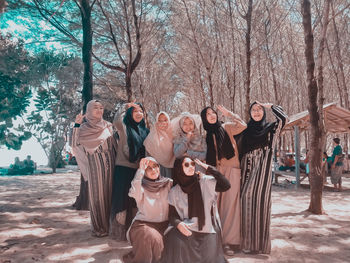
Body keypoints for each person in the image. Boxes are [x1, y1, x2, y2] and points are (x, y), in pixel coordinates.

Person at [235, 101, 287, 254]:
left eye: (259, 110)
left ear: (263, 112)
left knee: (260, 206)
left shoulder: (271, 129)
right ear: (250, 113)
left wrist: (270, 106)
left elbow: (284, 119)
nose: (256, 112)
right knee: (244, 203)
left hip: (262, 174)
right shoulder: (245, 130)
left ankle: (259, 246)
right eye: (253, 110)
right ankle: (246, 244)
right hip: (246, 171)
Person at [161, 157, 230, 263]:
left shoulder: (205, 181)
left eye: (193, 164)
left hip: (206, 227)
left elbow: (226, 185)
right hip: (187, 227)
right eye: (187, 165)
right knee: (175, 239)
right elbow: (172, 215)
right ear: (179, 168)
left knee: (210, 257)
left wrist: (209, 169)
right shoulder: (175, 191)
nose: (191, 167)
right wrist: (179, 225)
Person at [200, 105, 246, 255]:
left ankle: (229, 242)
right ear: (204, 118)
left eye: (213, 113)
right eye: (208, 114)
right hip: (215, 172)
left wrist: (230, 114)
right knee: (217, 207)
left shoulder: (226, 127)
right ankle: (217, 241)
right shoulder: (205, 135)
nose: (212, 115)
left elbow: (243, 125)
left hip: (231, 169)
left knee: (231, 207)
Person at [72, 100, 118, 237]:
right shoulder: (83, 128)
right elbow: (75, 145)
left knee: (110, 195)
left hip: (111, 163)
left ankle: (111, 227)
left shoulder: (108, 126)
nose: (99, 110)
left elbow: (114, 145)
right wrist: (76, 125)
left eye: (101, 108)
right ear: (89, 110)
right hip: (94, 165)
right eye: (96, 108)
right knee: (97, 197)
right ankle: (99, 228)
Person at [111, 102, 149, 240]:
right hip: (123, 168)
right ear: (129, 114)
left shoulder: (145, 131)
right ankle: (119, 234)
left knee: (135, 201)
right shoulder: (124, 127)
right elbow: (116, 120)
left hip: (138, 171)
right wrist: (125, 106)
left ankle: (133, 233)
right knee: (122, 201)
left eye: (141, 111)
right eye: (135, 111)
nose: (139, 114)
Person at [123, 157, 173, 263]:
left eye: (155, 166)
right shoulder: (140, 186)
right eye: (149, 168)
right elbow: (133, 192)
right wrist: (140, 171)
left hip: (164, 225)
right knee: (152, 236)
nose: (153, 170)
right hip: (143, 225)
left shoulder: (168, 183)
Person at [144, 112, 175, 178]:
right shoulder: (151, 137)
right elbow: (148, 157)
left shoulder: (174, 134)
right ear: (156, 122)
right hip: (157, 169)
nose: (163, 123)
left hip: (173, 168)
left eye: (165, 120)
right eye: (160, 121)